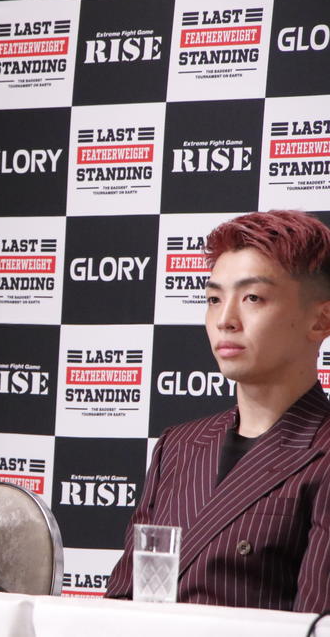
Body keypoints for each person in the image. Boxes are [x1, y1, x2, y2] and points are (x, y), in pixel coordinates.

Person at [105, 210, 330, 612]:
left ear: (320, 320)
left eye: (252, 298)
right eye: (213, 299)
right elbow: (121, 603)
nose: (225, 320)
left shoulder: (323, 452)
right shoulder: (178, 446)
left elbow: (315, 625)